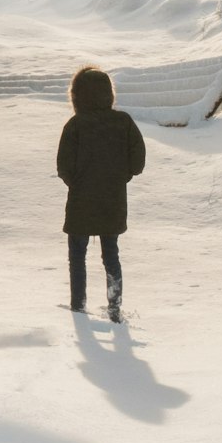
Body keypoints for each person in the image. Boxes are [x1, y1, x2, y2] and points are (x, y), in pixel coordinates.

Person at [57, 65, 146, 321]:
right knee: (111, 256)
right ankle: (115, 309)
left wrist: (79, 183)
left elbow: (63, 166)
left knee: (77, 256)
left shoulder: (75, 125)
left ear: (77, 95)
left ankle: (78, 307)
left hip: (80, 202)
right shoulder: (123, 122)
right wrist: (119, 178)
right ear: (108, 93)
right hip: (113, 200)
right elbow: (137, 162)